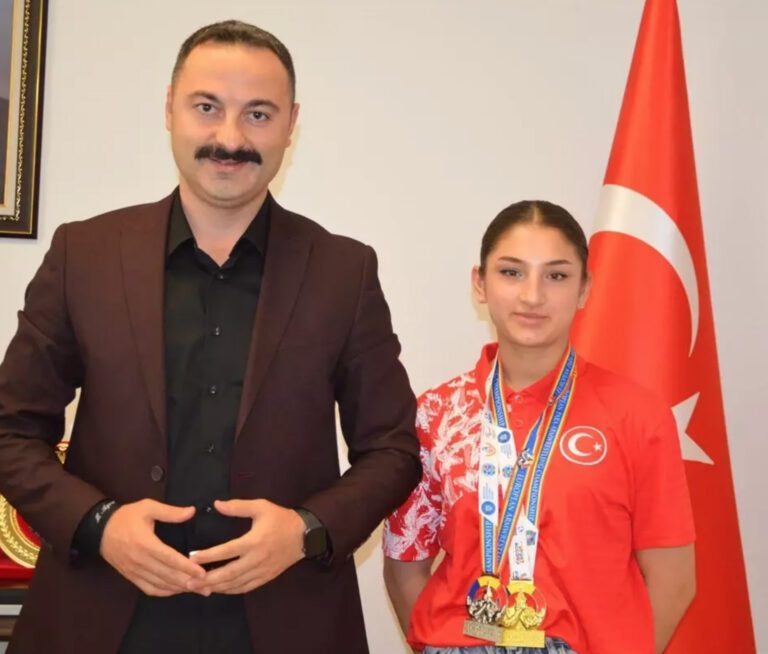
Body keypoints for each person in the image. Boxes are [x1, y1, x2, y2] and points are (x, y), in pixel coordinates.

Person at [0, 20, 420, 654]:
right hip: (100, 619)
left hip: (286, 622)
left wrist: (306, 530)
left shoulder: (345, 271)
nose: (230, 137)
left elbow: (393, 449)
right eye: (207, 107)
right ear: (170, 108)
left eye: (258, 114)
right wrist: (98, 526)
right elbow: (10, 429)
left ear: (291, 124)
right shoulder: (83, 254)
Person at [383, 200, 695, 654]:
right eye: (511, 272)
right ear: (480, 283)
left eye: (557, 275)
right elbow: (405, 565)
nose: (532, 295)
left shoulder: (637, 415)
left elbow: (673, 577)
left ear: (585, 288)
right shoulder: (435, 414)